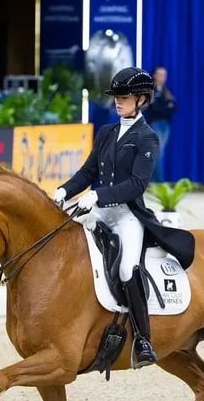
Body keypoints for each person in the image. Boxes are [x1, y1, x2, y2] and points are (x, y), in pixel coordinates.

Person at [52, 67, 195, 369]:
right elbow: (88, 172)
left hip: (128, 216)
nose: (118, 101)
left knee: (129, 269)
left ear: (141, 100)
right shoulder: (106, 132)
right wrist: (64, 191)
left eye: (125, 96)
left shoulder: (148, 138)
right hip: (100, 210)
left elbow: (136, 185)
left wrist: (97, 196)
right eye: (116, 96)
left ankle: (143, 340)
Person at [146, 66, 177, 182]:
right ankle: (159, 182)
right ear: (154, 75)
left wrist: (166, 107)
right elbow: (154, 108)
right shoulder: (151, 91)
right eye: (160, 75)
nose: (162, 78)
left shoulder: (166, 91)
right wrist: (167, 106)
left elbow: (175, 107)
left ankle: (155, 181)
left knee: (160, 153)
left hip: (166, 125)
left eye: (164, 75)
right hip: (156, 124)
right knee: (157, 152)